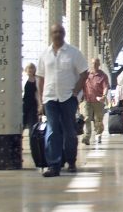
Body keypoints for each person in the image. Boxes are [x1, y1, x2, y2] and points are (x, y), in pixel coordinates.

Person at [36, 24, 88, 177]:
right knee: (52, 131)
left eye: (60, 32)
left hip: (68, 98)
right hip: (50, 97)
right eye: (54, 32)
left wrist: (76, 91)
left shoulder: (73, 53)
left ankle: (71, 161)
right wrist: (41, 100)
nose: (57, 34)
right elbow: (40, 77)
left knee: (69, 131)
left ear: (64, 34)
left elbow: (84, 73)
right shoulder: (44, 54)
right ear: (51, 34)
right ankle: (54, 165)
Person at [81, 58, 110, 145]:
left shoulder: (103, 76)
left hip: (98, 101)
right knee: (87, 118)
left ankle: (98, 134)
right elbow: (82, 85)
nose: (94, 65)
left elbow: (105, 87)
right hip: (87, 100)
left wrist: (104, 96)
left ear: (99, 64)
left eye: (96, 64)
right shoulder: (87, 75)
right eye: (93, 63)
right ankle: (87, 137)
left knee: (98, 120)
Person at [22, 63, 39, 135]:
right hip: (23, 103)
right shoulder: (23, 79)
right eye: (29, 68)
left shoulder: (37, 79)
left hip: (33, 104)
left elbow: (38, 92)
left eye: (32, 68)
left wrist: (40, 105)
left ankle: (33, 143)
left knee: (32, 125)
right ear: (26, 70)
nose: (30, 70)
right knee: (22, 123)